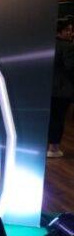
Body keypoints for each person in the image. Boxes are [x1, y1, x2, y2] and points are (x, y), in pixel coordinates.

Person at [47, 16, 74, 158]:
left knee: (49, 118)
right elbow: (71, 67)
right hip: (62, 89)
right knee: (58, 118)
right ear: (59, 31)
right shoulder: (68, 47)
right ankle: (53, 148)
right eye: (67, 30)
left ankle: (45, 145)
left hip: (47, 88)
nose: (71, 33)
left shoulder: (48, 44)